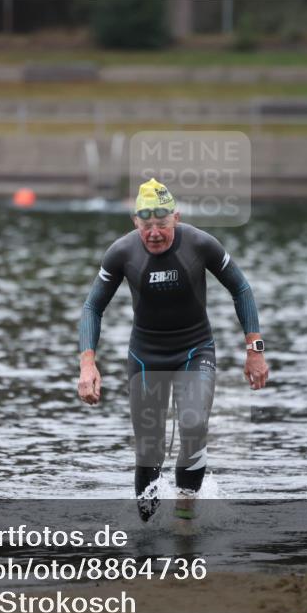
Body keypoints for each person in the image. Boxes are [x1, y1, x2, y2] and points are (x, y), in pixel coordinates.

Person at [77, 179, 268, 521]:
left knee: (193, 424)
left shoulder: (200, 244)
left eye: (162, 224)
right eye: (146, 225)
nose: (154, 233)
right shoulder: (121, 252)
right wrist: (87, 365)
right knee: (149, 450)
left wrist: (255, 350)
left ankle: (184, 520)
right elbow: (92, 307)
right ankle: (147, 531)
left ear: (176, 218)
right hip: (145, 357)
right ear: (135, 221)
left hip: (195, 351)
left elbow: (241, 288)